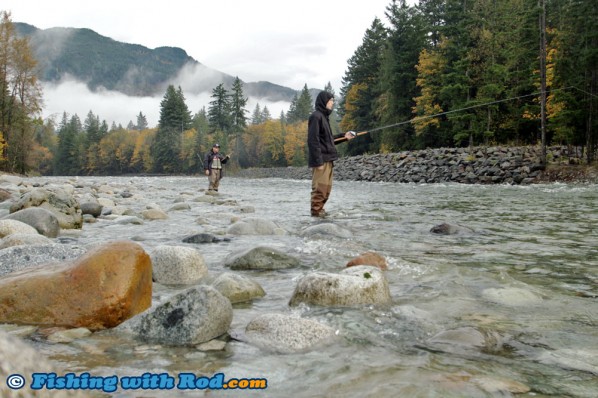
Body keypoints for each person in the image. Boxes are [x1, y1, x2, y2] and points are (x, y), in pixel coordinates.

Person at [307, 91, 355, 217]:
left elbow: (328, 140)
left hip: (328, 159)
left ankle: (320, 213)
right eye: (331, 100)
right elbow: (313, 141)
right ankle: (316, 214)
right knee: (319, 190)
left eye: (333, 100)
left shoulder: (324, 117)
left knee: (326, 190)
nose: (333, 103)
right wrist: (318, 162)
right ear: (324, 101)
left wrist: (345, 137)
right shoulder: (316, 117)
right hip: (321, 161)